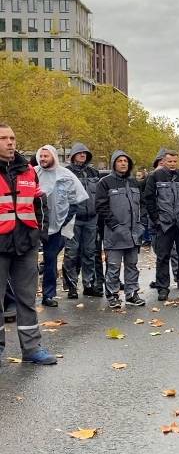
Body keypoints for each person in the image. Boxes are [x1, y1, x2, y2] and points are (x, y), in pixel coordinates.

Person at [0, 124, 57, 365]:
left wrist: (40, 234)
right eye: (3, 138)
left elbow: (39, 203)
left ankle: (32, 348)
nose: (10, 142)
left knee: (27, 298)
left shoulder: (28, 171)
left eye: (12, 137)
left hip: (26, 244)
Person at [35, 145, 88, 307]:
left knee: (51, 260)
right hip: (34, 225)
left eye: (46, 156)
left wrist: (64, 222)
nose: (43, 159)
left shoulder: (66, 175)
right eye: (41, 156)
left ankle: (48, 295)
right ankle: (26, 295)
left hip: (57, 227)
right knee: (28, 262)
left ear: (54, 157)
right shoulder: (33, 173)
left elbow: (74, 201)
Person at [143, 149, 179, 302]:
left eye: (175, 161)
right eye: (169, 161)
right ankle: (162, 289)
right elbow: (149, 199)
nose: (172, 164)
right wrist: (156, 219)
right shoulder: (155, 176)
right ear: (164, 162)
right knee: (162, 257)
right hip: (164, 224)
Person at [96, 150, 146, 309]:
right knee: (113, 266)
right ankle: (112, 294)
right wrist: (115, 226)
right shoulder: (105, 182)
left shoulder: (134, 183)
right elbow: (101, 206)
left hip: (133, 234)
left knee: (132, 265)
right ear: (113, 164)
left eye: (125, 160)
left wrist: (141, 224)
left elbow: (142, 206)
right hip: (114, 233)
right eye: (120, 161)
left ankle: (132, 294)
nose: (123, 163)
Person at [62, 143, 103, 299]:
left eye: (85, 153)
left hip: (91, 219)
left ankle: (88, 284)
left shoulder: (94, 173)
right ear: (73, 155)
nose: (82, 155)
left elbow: (99, 196)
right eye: (79, 153)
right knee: (71, 253)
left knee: (89, 253)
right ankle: (72, 286)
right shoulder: (66, 173)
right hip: (73, 219)